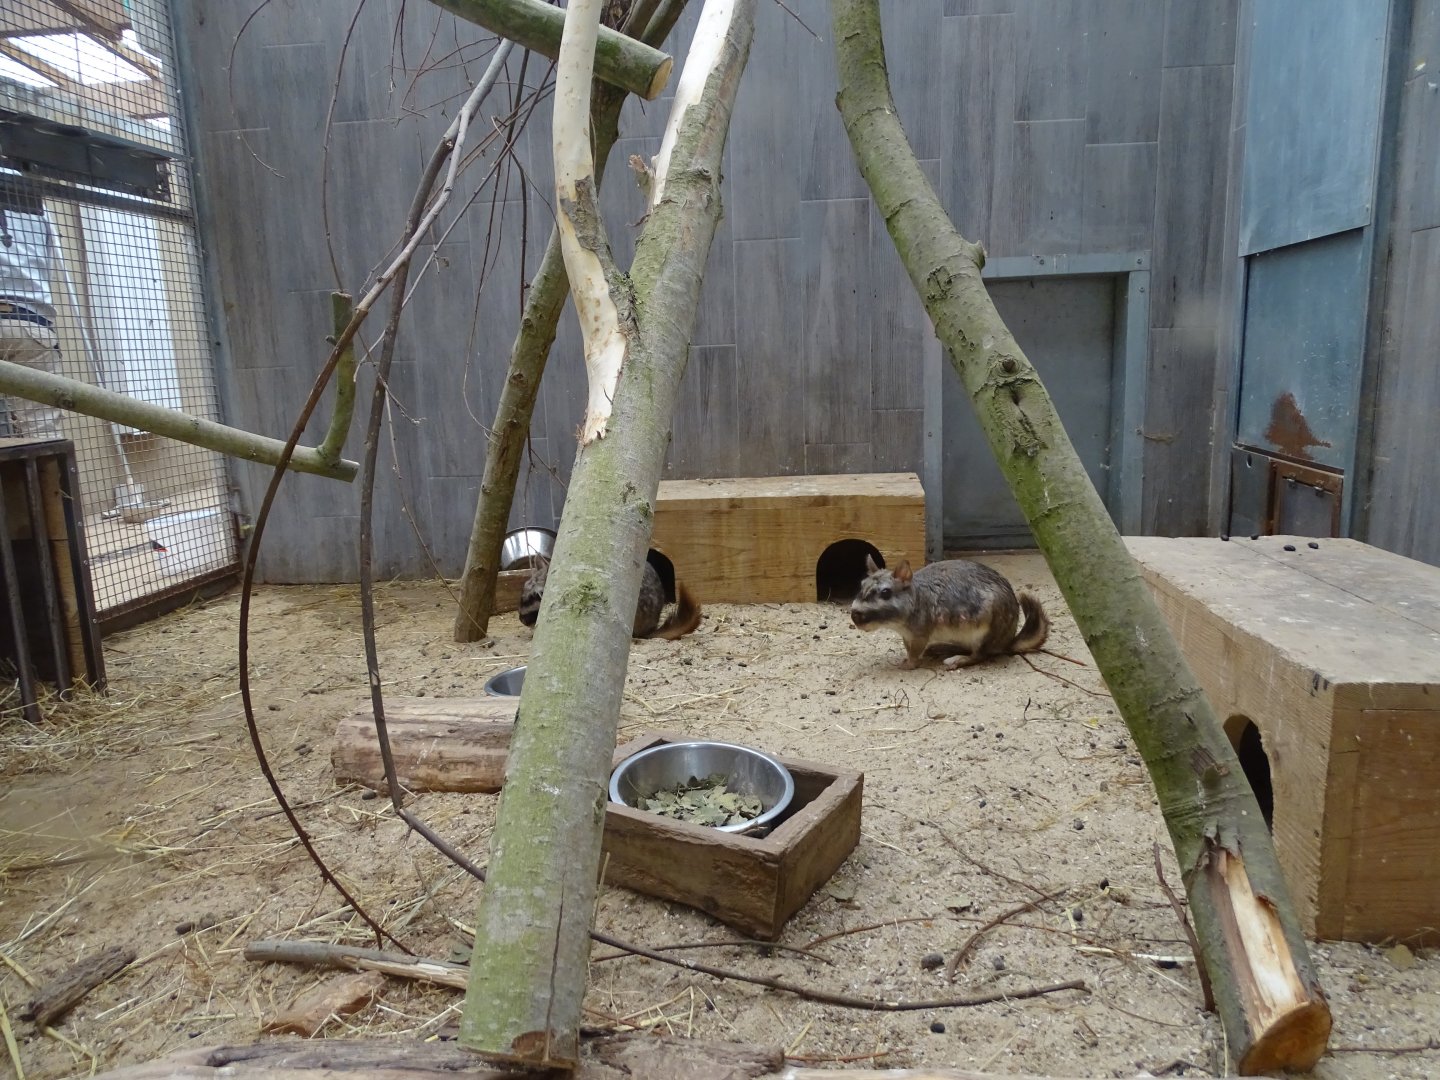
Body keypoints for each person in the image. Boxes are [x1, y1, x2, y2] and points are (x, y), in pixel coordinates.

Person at [0, 188, 65, 438]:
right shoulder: (36, 207)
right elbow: (47, 262)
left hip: (30, 318)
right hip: (31, 321)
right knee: (41, 431)